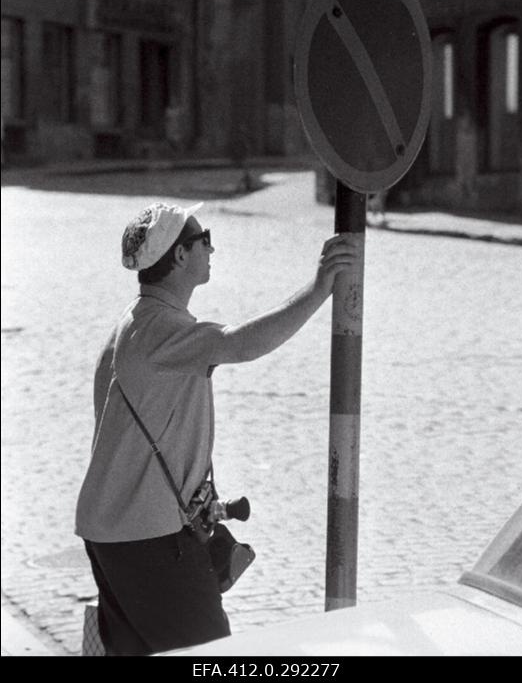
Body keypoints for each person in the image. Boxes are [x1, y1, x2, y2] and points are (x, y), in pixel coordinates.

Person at [75, 201, 358, 656]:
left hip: (113, 531)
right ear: (180, 256)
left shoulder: (131, 324)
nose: (213, 246)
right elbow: (240, 343)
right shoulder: (162, 329)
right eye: (203, 238)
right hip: (150, 539)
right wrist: (319, 287)